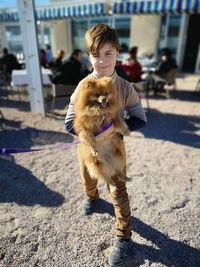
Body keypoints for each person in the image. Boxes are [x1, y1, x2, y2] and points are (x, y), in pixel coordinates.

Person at [65, 24, 147, 266]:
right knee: (87, 177)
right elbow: (69, 123)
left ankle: (124, 238)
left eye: (108, 54)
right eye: (95, 55)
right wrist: (90, 130)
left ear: (117, 54)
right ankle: (91, 197)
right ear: (89, 55)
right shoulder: (82, 86)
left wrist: (116, 128)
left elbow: (140, 120)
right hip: (87, 148)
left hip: (114, 151)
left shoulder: (125, 87)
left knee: (119, 192)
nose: (101, 61)